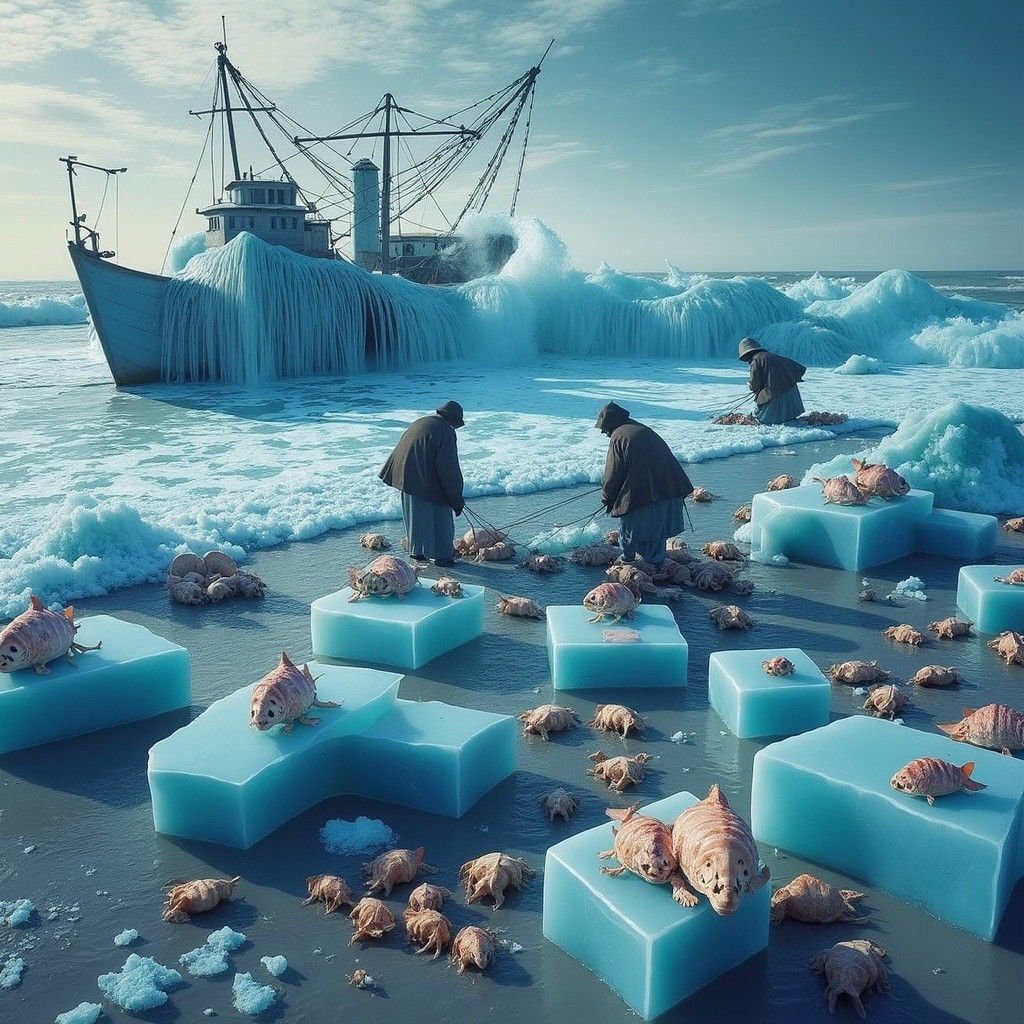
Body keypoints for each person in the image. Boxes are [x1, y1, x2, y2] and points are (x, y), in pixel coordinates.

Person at [595, 401, 694, 564]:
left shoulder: (618, 436)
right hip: (671, 488)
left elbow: (612, 475)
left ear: (609, 425)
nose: (604, 433)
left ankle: (632, 565)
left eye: (604, 429)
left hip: (646, 495)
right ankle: (655, 567)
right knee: (656, 536)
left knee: (632, 533)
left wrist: (607, 498)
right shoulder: (641, 429)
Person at [379, 400, 465, 567]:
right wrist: (456, 500)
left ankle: (417, 552)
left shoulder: (421, 422)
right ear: (454, 420)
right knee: (440, 520)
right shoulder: (446, 432)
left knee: (415, 518)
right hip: (422, 479)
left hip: (404, 476)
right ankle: (443, 557)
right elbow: (449, 471)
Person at [737, 337, 806, 424]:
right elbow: (796, 368)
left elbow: (755, 384)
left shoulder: (755, 360)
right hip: (791, 388)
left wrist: (750, 385)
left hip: (775, 391)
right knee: (788, 417)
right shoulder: (771, 356)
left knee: (763, 419)